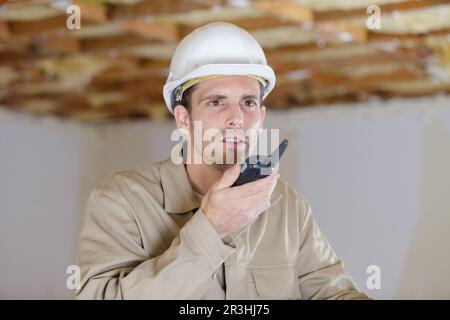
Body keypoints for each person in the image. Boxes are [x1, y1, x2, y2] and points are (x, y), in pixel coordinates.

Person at [76, 22, 369, 300]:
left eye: (248, 102)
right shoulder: (122, 201)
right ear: (183, 119)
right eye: (216, 102)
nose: (237, 119)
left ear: (261, 116)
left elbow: (334, 293)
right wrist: (210, 229)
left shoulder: (289, 208)